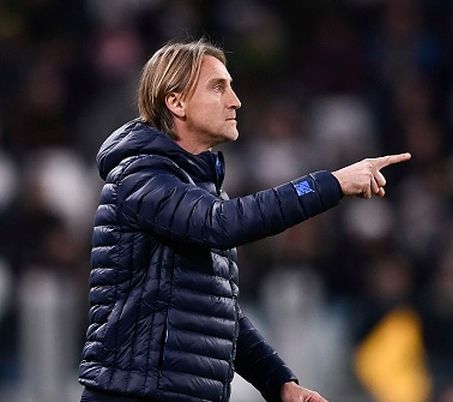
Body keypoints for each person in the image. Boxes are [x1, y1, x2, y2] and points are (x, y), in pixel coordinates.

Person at [77, 39, 411, 402]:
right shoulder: (140, 177)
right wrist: (330, 183)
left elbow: (219, 314)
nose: (235, 101)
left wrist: (279, 382)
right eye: (218, 87)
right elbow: (223, 224)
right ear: (176, 102)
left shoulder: (200, 192)